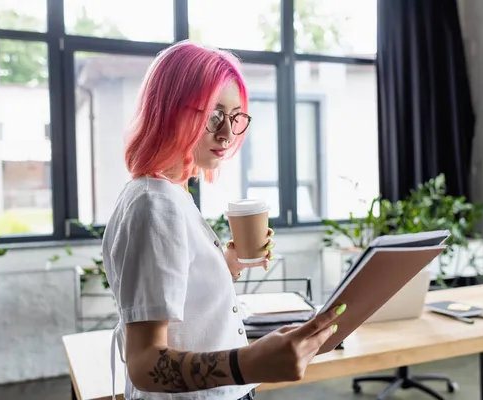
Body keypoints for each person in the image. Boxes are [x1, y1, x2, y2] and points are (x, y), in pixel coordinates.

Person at [102, 40, 347, 400]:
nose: (228, 133)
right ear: (169, 109)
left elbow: (181, 302)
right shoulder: (156, 204)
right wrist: (249, 362)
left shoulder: (167, 193)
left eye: (235, 117)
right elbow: (144, 363)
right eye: (212, 115)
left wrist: (226, 264)